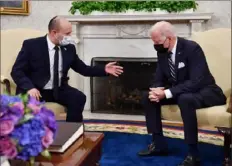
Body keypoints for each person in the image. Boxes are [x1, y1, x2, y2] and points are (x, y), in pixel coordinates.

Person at [138, 21, 226, 166]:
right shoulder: (162, 52)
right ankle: (158, 144)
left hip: (205, 91)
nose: (155, 45)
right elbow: (159, 77)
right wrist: (156, 90)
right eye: (153, 42)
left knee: (185, 99)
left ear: (170, 38)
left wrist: (167, 93)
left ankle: (193, 153)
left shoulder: (191, 48)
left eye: (158, 41)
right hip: (181, 91)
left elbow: (197, 81)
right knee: (147, 97)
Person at [11, 16, 123, 123]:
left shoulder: (69, 48)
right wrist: (30, 88)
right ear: (54, 33)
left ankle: (72, 133)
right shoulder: (32, 45)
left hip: (58, 89)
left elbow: (83, 69)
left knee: (78, 98)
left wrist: (104, 69)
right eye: (67, 34)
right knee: (28, 109)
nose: (70, 36)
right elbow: (17, 71)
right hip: (35, 90)